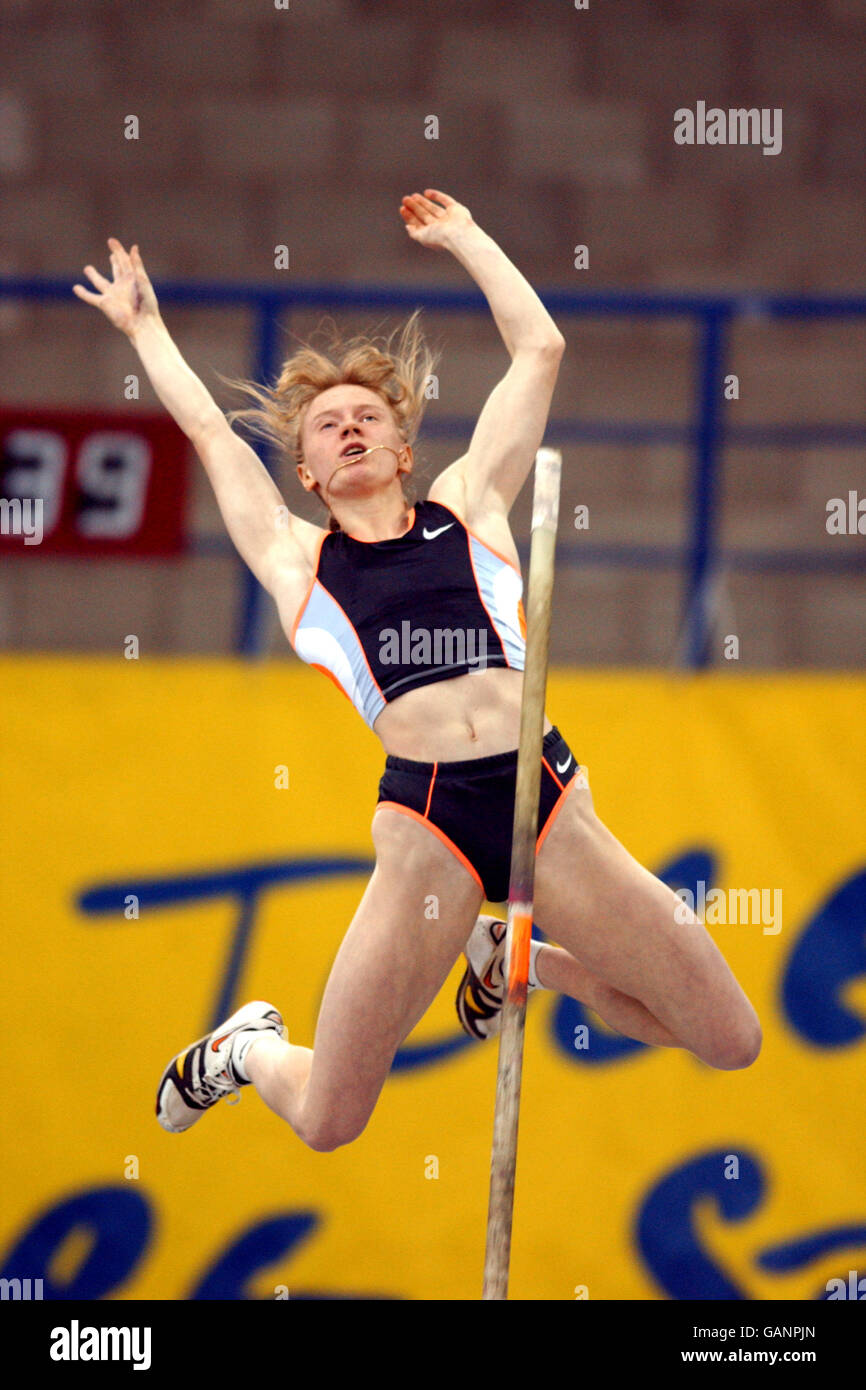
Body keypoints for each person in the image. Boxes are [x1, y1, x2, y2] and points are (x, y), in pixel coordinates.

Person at [74, 190, 761, 1153]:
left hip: (541, 802)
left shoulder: (468, 506)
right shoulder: (296, 562)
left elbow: (541, 352)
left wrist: (469, 238)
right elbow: (210, 437)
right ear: (307, 473)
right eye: (326, 427)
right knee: (328, 1121)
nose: (349, 429)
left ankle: (518, 955)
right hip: (428, 830)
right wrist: (145, 329)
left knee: (729, 1039)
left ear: (402, 445)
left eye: (366, 417)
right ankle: (245, 1050)